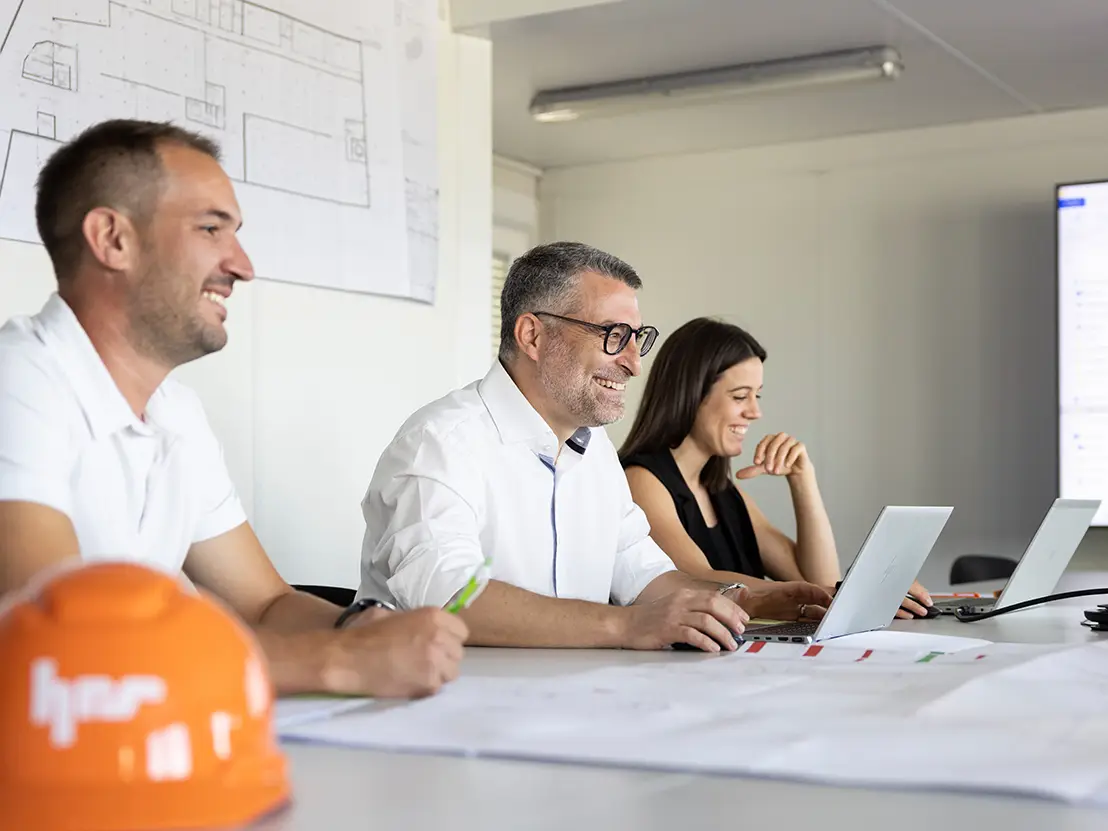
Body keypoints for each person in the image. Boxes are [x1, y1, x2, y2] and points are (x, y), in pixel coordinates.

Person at [0, 118, 467, 697]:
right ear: (113, 239)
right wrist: (342, 659)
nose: (243, 266)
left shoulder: (176, 412)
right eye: (210, 229)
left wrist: (369, 629)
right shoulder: (17, 378)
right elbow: (58, 635)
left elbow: (265, 603)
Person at [358, 242, 832, 652]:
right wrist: (626, 625)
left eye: (636, 339)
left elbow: (644, 576)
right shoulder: (440, 442)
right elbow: (449, 596)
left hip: (574, 698)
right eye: (613, 336)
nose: (633, 364)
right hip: (451, 707)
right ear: (533, 335)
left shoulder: (595, 452)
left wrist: (750, 599)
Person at [619, 317, 932, 620]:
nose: (755, 411)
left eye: (757, 395)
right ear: (690, 395)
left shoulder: (721, 490)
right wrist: (846, 593)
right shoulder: (640, 481)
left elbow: (817, 578)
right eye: (740, 396)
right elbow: (696, 577)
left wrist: (803, 479)